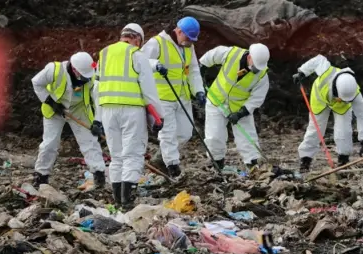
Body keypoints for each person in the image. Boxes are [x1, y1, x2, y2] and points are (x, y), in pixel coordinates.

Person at [93, 23, 164, 210]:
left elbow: (97, 88)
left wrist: (97, 118)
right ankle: (127, 202)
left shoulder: (104, 54)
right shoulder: (137, 55)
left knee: (116, 156)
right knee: (133, 154)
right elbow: (149, 91)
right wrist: (158, 117)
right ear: (138, 39)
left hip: (108, 110)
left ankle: (117, 201)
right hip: (131, 110)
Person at [141, 17, 205, 178]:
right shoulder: (158, 42)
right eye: (188, 38)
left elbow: (194, 70)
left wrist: (198, 91)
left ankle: (160, 158)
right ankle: (172, 166)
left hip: (182, 96)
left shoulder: (189, 47)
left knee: (185, 133)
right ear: (178, 31)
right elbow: (140, 61)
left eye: (192, 39)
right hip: (163, 97)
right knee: (168, 133)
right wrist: (155, 65)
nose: (190, 42)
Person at [31, 52, 106, 188]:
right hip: (55, 110)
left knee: (89, 141)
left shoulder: (93, 76)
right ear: (74, 69)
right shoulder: (54, 70)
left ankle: (99, 173)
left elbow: (98, 100)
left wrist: (97, 122)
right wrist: (50, 101)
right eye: (83, 76)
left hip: (79, 109)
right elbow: (36, 82)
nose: (85, 79)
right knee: (50, 143)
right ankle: (41, 176)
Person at [293, 55, 363, 172]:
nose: (343, 100)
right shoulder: (326, 70)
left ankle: (343, 159)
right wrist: (302, 72)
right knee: (315, 129)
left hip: (341, 108)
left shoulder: (354, 92)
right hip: (319, 98)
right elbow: (318, 59)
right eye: (342, 98)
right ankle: (305, 159)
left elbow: (362, 115)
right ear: (336, 89)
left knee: (343, 130)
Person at [199, 43, 270, 169]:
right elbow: (209, 57)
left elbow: (257, 98)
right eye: (255, 65)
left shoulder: (262, 75)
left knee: (248, 139)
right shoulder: (231, 53)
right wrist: (200, 72)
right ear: (249, 57)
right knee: (214, 136)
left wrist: (241, 113)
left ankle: (254, 165)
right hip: (216, 101)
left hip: (239, 108)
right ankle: (216, 164)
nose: (257, 69)